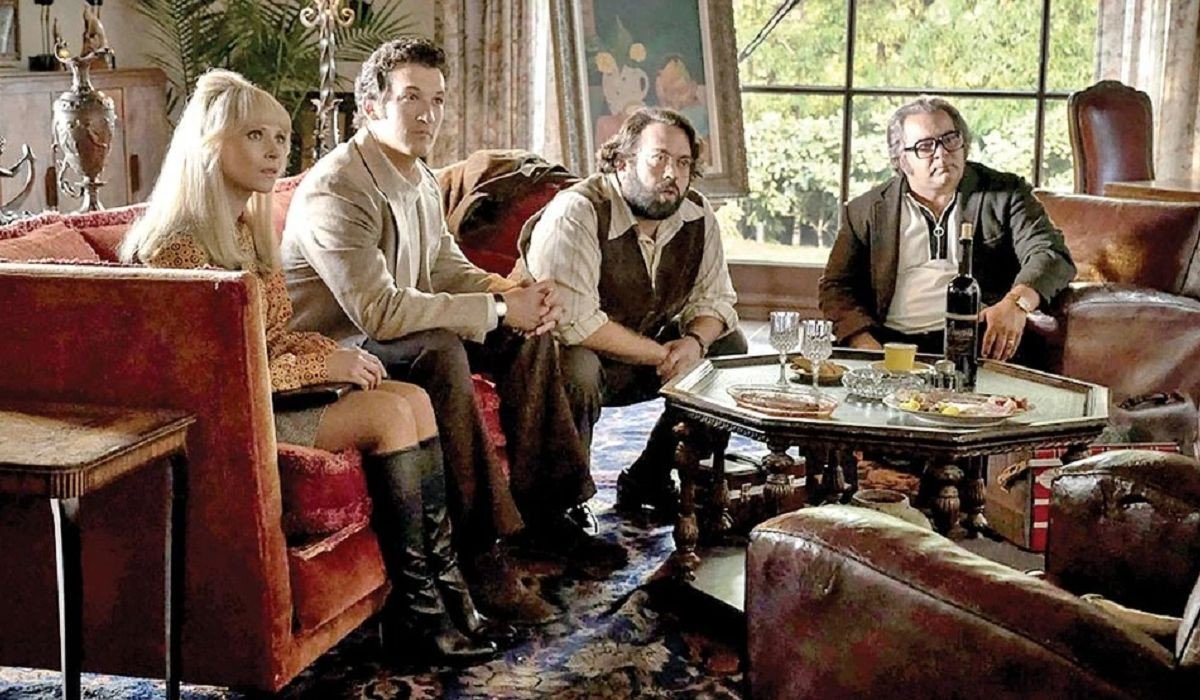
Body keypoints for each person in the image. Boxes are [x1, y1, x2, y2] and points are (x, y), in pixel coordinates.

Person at [120, 69, 508, 665]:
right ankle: (419, 613)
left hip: (270, 393)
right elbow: (224, 374)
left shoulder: (247, 233)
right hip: (233, 416)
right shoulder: (176, 247)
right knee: (389, 416)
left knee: (413, 399)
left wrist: (333, 358)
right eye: (255, 136)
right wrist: (324, 365)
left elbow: (274, 338)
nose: (276, 150)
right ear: (210, 144)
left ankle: (446, 592)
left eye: (281, 137)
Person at [280, 37, 625, 620]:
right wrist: (497, 310)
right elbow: (378, 312)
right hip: (339, 349)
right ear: (371, 106)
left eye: (437, 100)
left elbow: (446, 268)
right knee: (439, 351)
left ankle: (547, 517)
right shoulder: (337, 189)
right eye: (411, 98)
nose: (428, 114)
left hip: (395, 330)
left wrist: (510, 294)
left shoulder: (414, 175)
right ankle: (479, 552)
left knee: (524, 334)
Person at [518, 107, 747, 520]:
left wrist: (695, 343)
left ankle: (651, 475)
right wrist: (665, 356)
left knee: (728, 347)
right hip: (557, 358)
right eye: (659, 158)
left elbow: (716, 299)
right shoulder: (577, 211)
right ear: (622, 163)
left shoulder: (697, 214)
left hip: (639, 356)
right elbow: (573, 323)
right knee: (578, 366)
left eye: (683, 163)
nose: (673, 174)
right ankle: (559, 506)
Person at [819, 96, 1076, 364]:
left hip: (981, 341)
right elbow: (836, 286)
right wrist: (864, 344)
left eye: (950, 139)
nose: (942, 153)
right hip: (890, 344)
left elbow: (1050, 253)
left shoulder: (1005, 193)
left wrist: (1016, 304)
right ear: (901, 159)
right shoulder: (865, 210)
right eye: (925, 146)